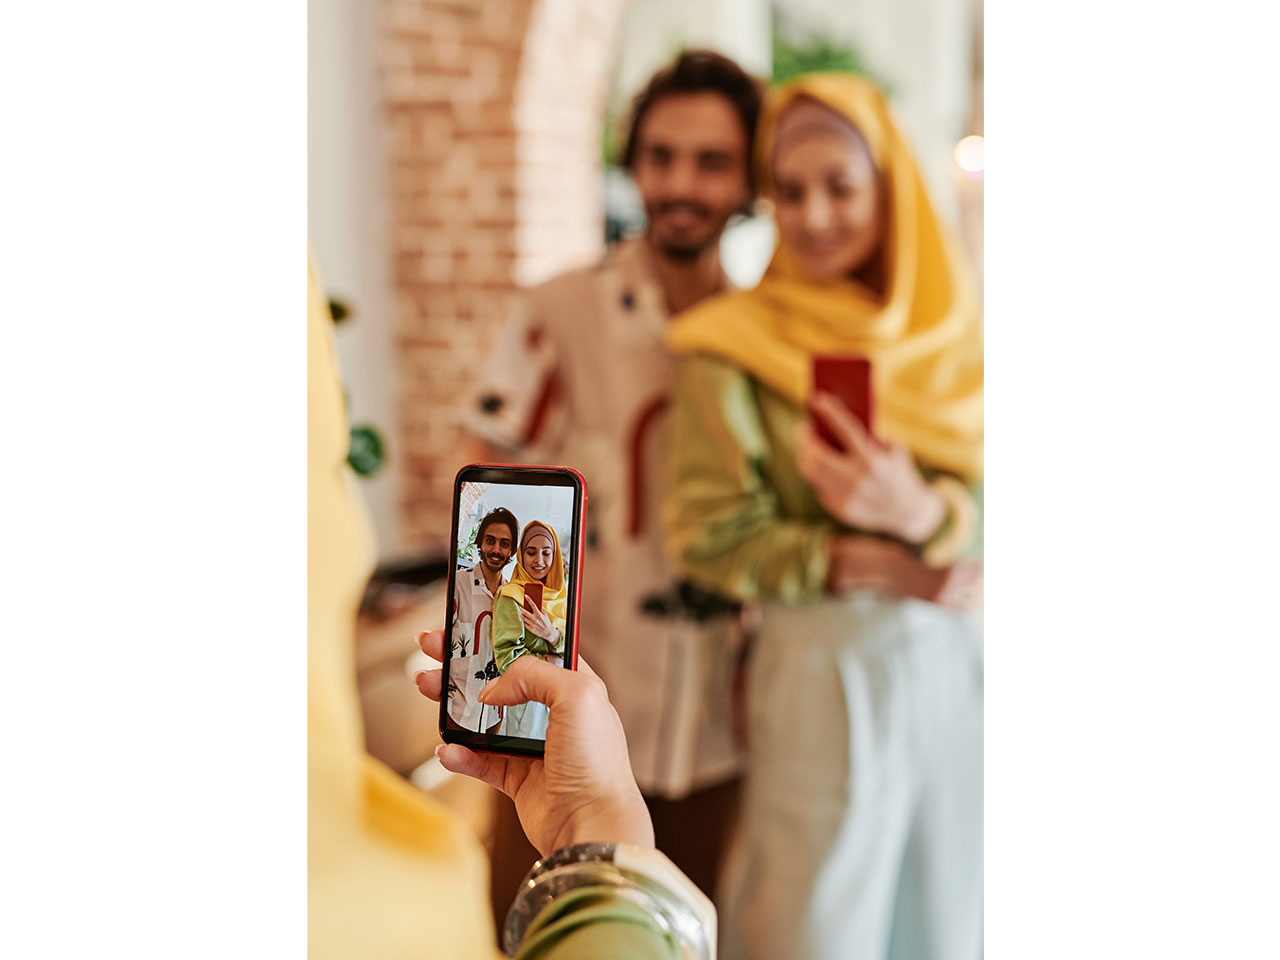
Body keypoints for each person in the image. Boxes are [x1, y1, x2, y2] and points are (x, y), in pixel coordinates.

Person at [309, 252, 714, 959]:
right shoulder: (561, 312)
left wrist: (595, 821)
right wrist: (601, 823)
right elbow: (487, 434)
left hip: (701, 709)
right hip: (572, 709)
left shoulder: (739, 328)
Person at [664, 73, 985, 960]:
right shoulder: (729, 347)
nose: (812, 216)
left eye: (840, 187)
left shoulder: (951, 334)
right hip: (818, 671)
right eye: (789, 190)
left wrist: (928, 509)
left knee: (951, 907)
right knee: (813, 920)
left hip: (955, 664)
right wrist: (884, 562)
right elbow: (706, 535)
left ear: (889, 187)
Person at [464, 48, 762, 900]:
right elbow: (483, 479)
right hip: (562, 731)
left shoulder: (764, 342)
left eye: (711, 162)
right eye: (661, 156)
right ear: (632, 163)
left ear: (748, 181)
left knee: (688, 928)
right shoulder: (558, 312)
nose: (681, 184)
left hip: (717, 733)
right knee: (537, 929)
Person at [492, 521, 569, 739]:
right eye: (531, 552)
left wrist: (552, 634)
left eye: (546, 552)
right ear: (521, 556)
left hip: (562, 698)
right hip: (529, 704)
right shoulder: (510, 596)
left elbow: (575, 651)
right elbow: (507, 659)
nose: (539, 560)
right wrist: (548, 662)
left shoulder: (564, 596)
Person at [447, 506, 520, 734]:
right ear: (480, 543)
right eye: (490, 541)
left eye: (504, 544)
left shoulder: (513, 597)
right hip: (455, 713)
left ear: (511, 550)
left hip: (493, 716)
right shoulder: (458, 584)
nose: (496, 550)